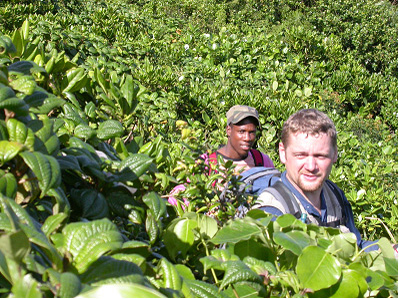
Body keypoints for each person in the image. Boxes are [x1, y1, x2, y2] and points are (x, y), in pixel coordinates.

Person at [252, 109, 379, 251]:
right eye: (300, 155)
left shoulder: (335, 196)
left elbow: (357, 249)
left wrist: (389, 251)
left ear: (335, 154)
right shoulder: (271, 211)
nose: (311, 167)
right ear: (283, 153)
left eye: (320, 156)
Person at [168, 105, 274, 207]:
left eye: (252, 132)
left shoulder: (261, 160)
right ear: (229, 130)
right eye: (241, 131)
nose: (247, 138)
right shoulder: (207, 163)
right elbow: (181, 194)